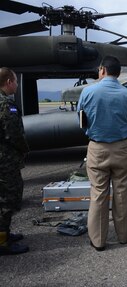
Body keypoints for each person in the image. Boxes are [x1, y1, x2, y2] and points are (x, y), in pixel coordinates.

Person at [77, 56, 127, 251]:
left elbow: (81, 120)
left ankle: (98, 240)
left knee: (98, 194)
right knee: (122, 193)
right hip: (122, 147)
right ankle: (122, 236)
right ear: (118, 73)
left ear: (102, 70)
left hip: (97, 148)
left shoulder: (88, 92)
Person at [0, 67, 30, 255]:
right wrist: (25, 149)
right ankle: (3, 242)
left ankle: (5, 234)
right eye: (16, 81)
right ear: (9, 82)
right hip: (5, 161)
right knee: (8, 199)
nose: (17, 85)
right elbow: (14, 134)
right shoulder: (6, 105)